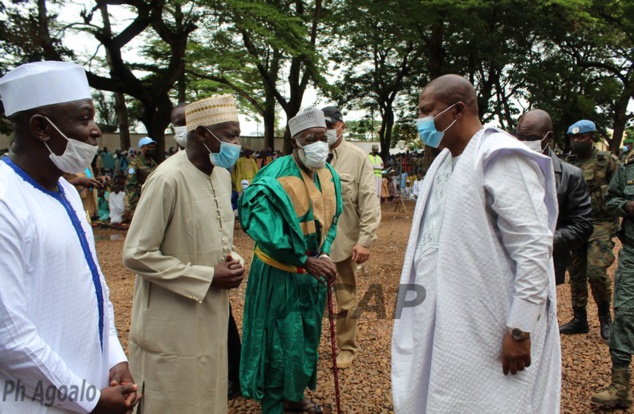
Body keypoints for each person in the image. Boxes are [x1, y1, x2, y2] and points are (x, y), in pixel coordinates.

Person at [391, 75, 560, 413]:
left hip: (489, 318)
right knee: (439, 395)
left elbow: (533, 247)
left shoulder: (500, 156)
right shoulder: (442, 161)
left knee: (490, 399)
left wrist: (520, 328)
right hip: (438, 312)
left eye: (427, 111)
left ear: (458, 109)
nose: (422, 120)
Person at [0, 61, 140, 413]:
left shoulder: (66, 190)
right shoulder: (5, 199)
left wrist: (112, 357)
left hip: (89, 384)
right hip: (32, 400)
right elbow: (9, 336)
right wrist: (87, 398)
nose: (95, 131)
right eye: (84, 118)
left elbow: (93, 287)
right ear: (41, 128)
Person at [122, 94, 245, 413]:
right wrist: (207, 276)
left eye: (238, 134)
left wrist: (234, 261)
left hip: (211, 314)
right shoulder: (166, 178)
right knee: (174, 395)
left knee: (208, 388)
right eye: (230, 134)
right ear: (202, 133)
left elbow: (219, 237)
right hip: (171, 320)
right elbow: (135, 253)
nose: (237, 143)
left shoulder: (220, 174)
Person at [239, 108, 343, 413]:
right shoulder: (272, 176)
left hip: (311, 274)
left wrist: (322, 253)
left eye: (323, 137)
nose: (319, 144)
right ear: (295, 141)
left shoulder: (329, 173)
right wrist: (301, 258)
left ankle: (294, 394)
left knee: (306, 336)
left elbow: (333, 218)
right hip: (279, 274)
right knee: (277, 340)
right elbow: (260, 226)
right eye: (311, 139)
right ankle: (273, 404)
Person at [322, 105, 381, 369]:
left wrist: (365, 240)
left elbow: (369, 200)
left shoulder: (357, 158)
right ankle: (308, 345)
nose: (325, 132)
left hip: (343, 243)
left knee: (346, 299)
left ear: (341, 127)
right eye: (321, 127)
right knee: (308, 299)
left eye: (330, 127)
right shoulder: (307, 155)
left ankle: (347, 347)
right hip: (311, 245)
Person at [515, 109, 593, 285]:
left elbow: (583, 226)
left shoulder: (570, 175)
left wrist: (543, 240)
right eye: (520, 137)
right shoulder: (505, 167)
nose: (525, 143)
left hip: (547, 261)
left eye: (531, 138)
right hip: (508, 261)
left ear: (548, 137)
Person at [560, 119, 619, 339]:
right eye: (573, 138)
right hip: (577, 224)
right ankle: (579, 319)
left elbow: (620, 191)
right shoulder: (569, 162)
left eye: (581, 137)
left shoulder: (607, 161)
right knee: (575, 273)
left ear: (591, 137)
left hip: (601, 223)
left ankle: (605, 319)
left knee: (595, 271)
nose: (576, 141)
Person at [591, 150, 634, 408]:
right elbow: (610, 199)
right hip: (631, 253)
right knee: (625, 313)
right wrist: (626, 206)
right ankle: (620, 387)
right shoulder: (629, 166)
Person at [125, 136, 158, 215]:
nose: (151, 149)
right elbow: (131, 185)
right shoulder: (134, 164)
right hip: (141, 198)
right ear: (142, 147)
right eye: (149, 147)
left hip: (153, 196)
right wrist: (134, 205)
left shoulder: (153, 163)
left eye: (153, 147)